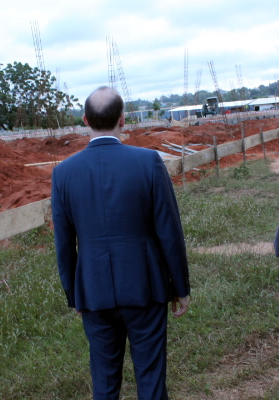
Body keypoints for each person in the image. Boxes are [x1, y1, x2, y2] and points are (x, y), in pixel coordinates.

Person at [52, 86, 191, 400]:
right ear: (123, 120)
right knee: (151, 378)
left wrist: (74, 295)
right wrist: (180, 287)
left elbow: (63, 243)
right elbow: (169, 229)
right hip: (146, 286)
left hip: (94, 290)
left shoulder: (63, 173)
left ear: (86, 120)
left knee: (103, 381)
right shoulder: (148, 162)